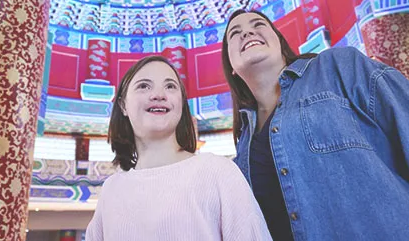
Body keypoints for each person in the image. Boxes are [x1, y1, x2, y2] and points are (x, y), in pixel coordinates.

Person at [221, 9, 409, 241]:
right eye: (235, 33)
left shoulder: (339, 66)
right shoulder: (243, 147)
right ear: (231, 67)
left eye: (258, 25)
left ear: (280, 43)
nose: (247, 33)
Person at [85, 55, 272, 241]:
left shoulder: (218, 171)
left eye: (170, 86)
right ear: (123, 104)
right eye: (143, 86)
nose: (159, 94)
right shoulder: (111, 189)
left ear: (181, 103)